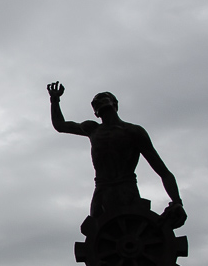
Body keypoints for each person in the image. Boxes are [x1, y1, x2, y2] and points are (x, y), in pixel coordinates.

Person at [47, 81, 184, 225]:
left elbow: (163, 171)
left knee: (130, 227)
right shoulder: (92, 129)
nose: (98, 101)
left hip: (126, 189)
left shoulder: (133, 132)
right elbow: (60, 125)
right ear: (95, 113)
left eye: (103, 97)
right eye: (95, 101)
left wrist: (177, 201)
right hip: (101, 190)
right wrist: (55, 100)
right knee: (96, 233)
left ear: (115, 103)